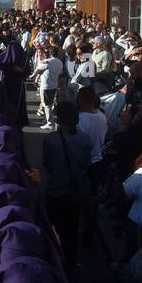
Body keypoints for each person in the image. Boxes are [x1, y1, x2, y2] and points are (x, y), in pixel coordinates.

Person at [42, 101, 94, 271]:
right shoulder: (86, 140)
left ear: (58, 118)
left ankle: (53, 262)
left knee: (52, 229)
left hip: (55, 191)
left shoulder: (51, 140)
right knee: (71, 231)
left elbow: (47, 164)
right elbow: (86, 165)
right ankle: (69, 264)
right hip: (75, 193)